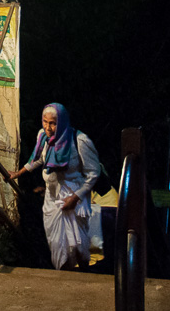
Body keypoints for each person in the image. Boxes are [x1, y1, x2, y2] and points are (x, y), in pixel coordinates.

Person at [9, 104, 101, 270]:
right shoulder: (43, 137)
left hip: (73, 198)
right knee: (57, 243)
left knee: (77, 245)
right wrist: (19, 173)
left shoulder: (79, 141)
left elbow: (93, 173)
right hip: (52, 199)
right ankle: (63, 278)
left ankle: (85, 278)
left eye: (53, 123)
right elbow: (38, 159)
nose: (48, 127)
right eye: (45, 122)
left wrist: (75, 197)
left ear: (63, 122)